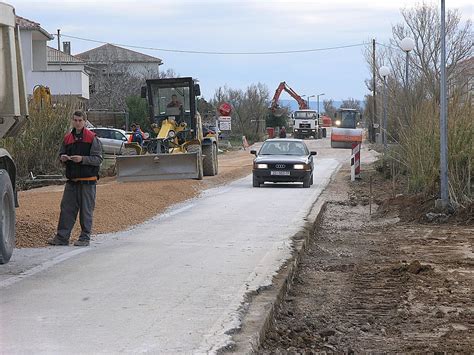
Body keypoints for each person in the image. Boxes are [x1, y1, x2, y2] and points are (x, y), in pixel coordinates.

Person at [48, 111, 103, 247]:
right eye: (75, 120)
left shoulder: (92, 138)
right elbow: (61, 154)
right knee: (66, 209)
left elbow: (98, 159)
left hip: (88, 181)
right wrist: (63, 158)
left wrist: (82, 159)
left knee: (86, 211)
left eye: (80, 120)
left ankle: (85, 238)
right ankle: (62, 238)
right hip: (72, 181)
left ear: (85, 121)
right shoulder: (67, 139)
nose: (77, 123)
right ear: (72, 121)